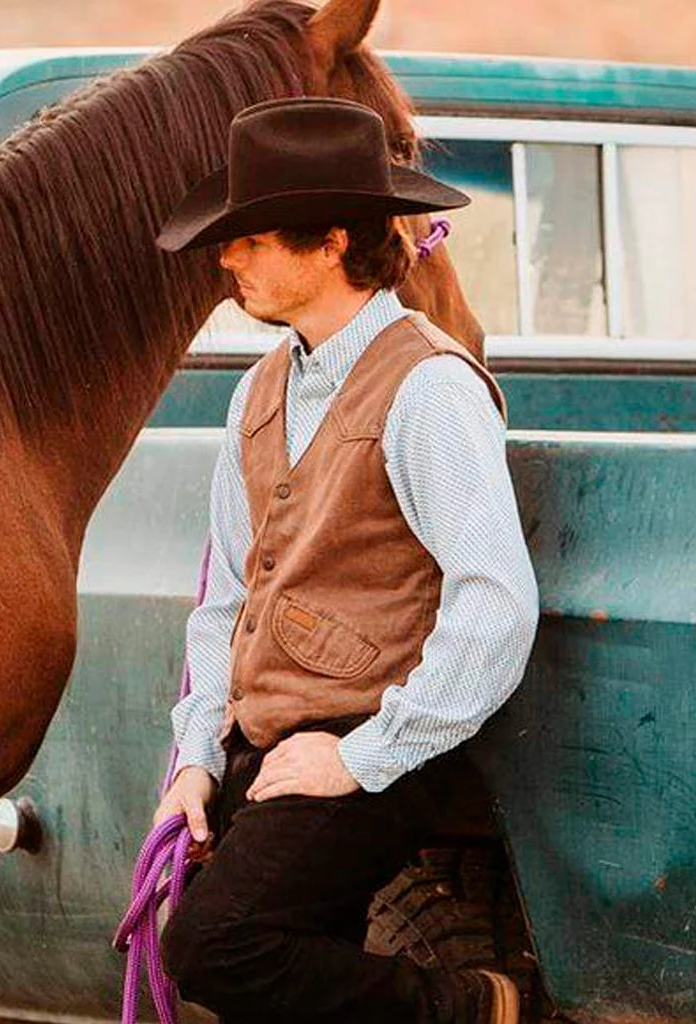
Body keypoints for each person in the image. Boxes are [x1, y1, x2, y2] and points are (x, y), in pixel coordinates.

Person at [152, 96, 539, 1024]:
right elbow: (228, 601)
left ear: (330, 242)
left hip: (376, 744)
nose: (227, 258)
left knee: (212, 945)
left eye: (251, 239)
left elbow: (496, 603)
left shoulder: (429, 388)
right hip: (266, 744)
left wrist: (362, 757)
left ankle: (475, 1011)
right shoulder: (259, 390)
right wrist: (196, 758)